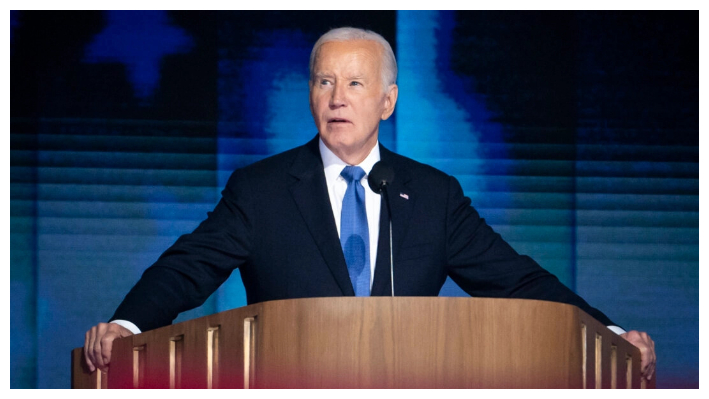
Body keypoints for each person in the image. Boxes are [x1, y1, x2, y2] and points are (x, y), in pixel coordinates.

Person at [84, 27, 656, 381]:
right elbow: (189, 267)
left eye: (355, 85)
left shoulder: (433, 195)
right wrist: (126, 323)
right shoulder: (260, 189)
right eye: (324, 82)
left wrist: (612, 332)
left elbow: (518, 281)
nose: (337, 99)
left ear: (388, 101)